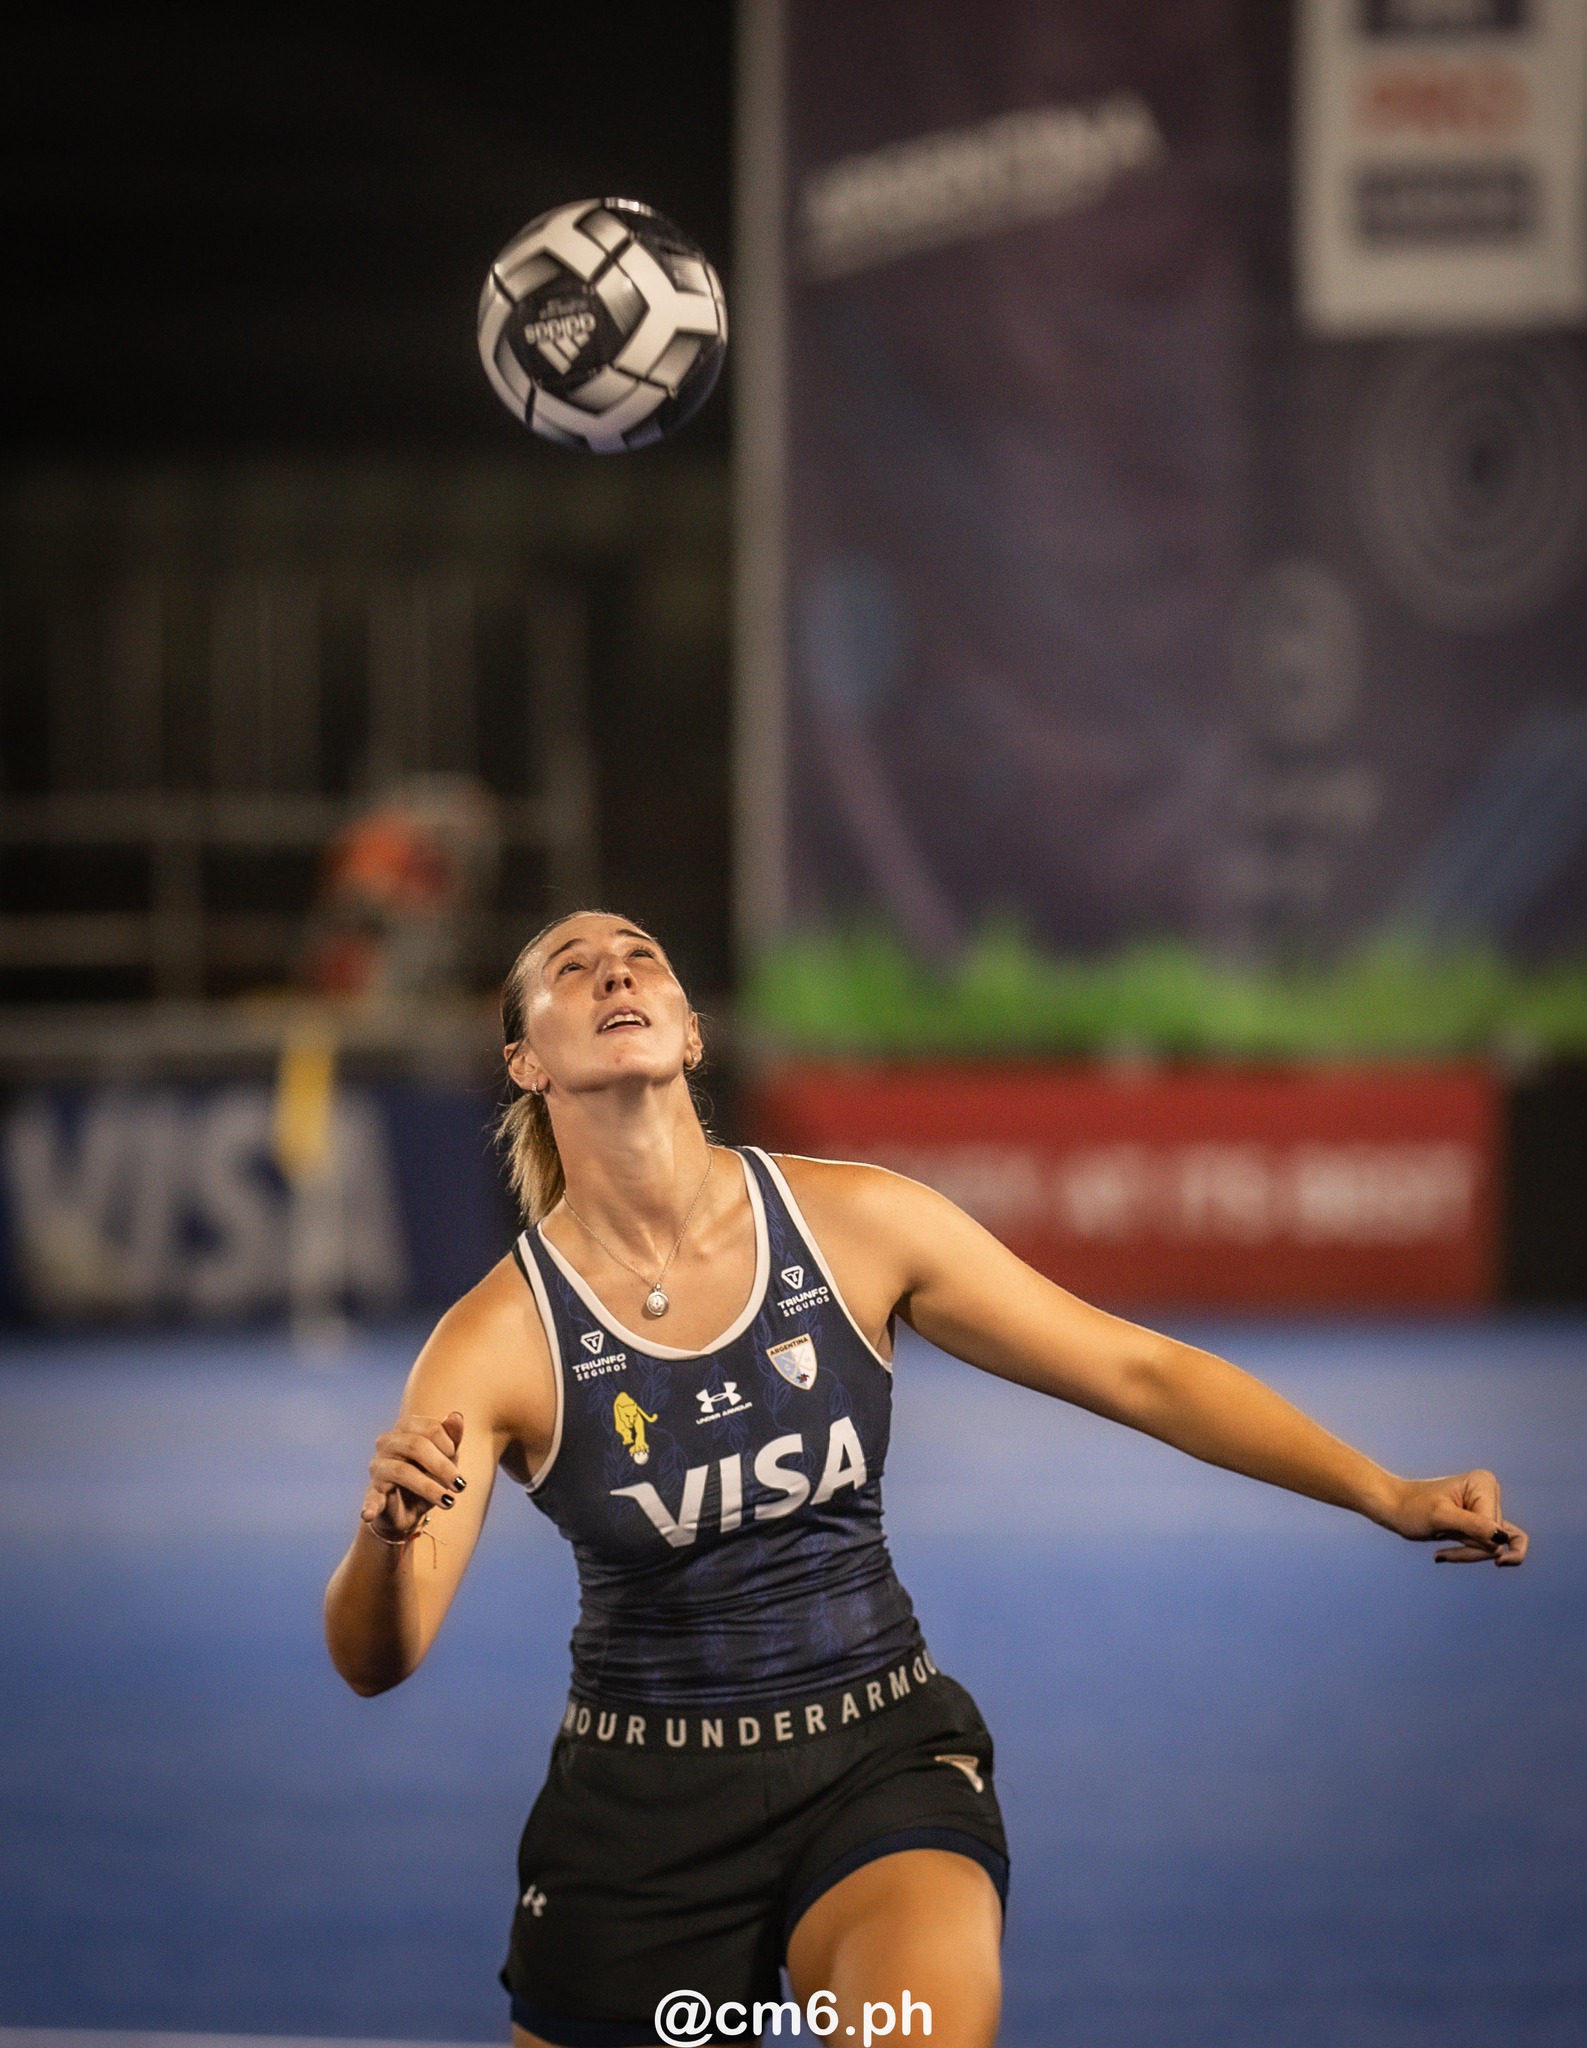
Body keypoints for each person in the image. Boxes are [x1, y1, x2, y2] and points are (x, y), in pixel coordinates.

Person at [323, 910, 1527, 2048]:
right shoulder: (499, 1336)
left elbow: (1138, 1368)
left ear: (691, 1032)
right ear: (526, 1059)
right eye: (573, 966)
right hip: (637, 1814)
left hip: (876, 1757)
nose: (616, 970)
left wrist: (1384, 1488)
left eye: (640, 954)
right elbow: (381, 1655)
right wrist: (385, 1539)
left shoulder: (857, 1222)